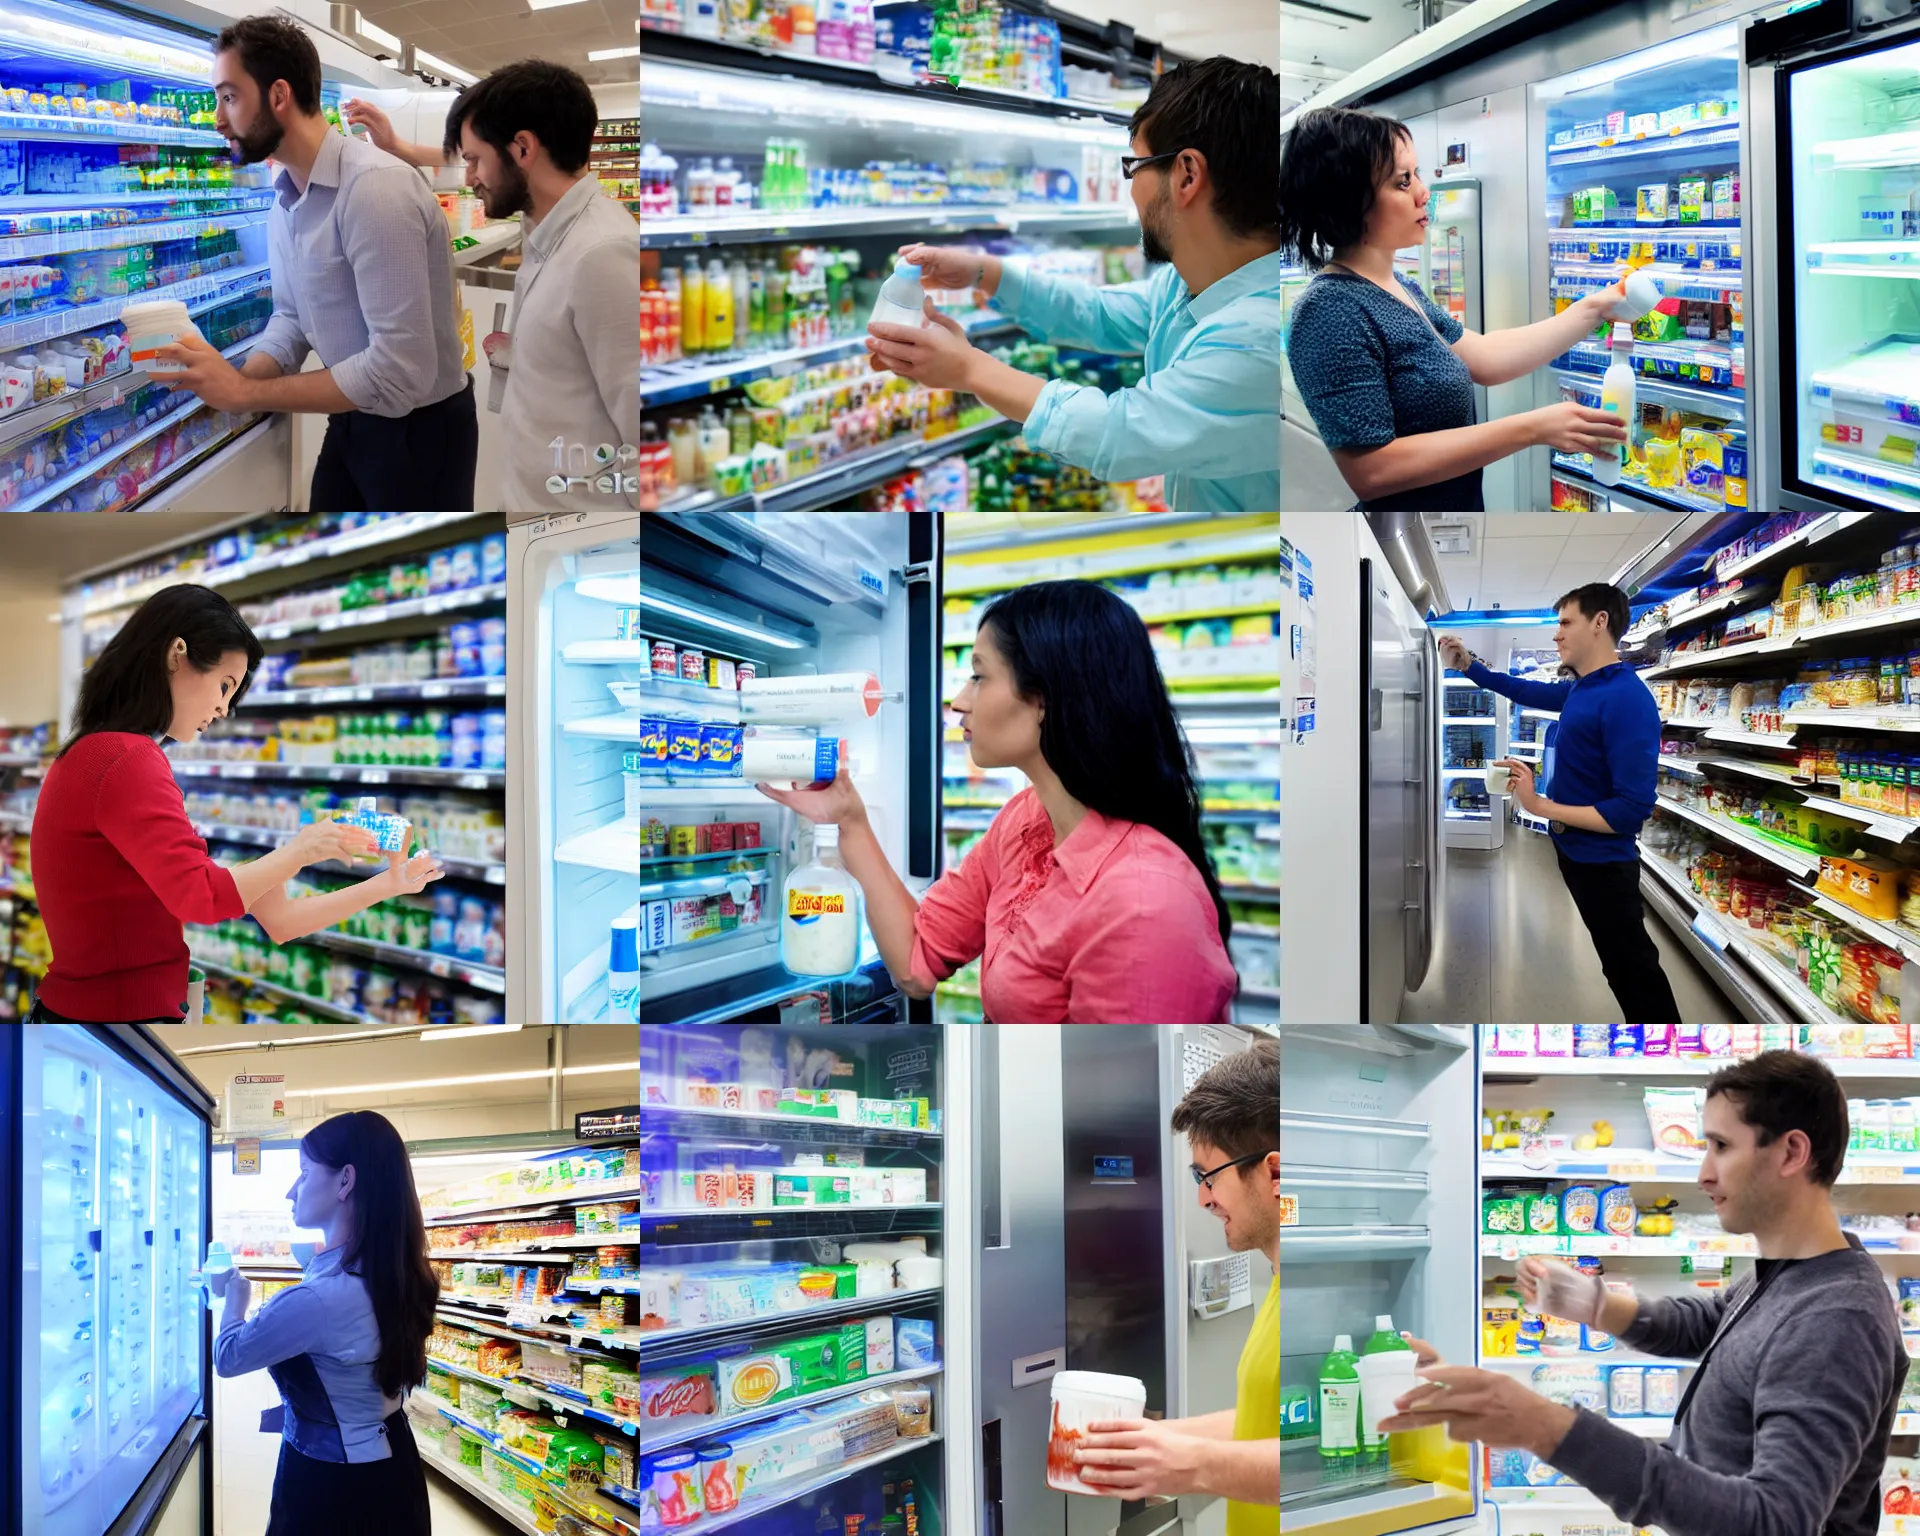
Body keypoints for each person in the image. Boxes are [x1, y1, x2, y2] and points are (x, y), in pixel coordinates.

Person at [1382, 1051, 1905, 1536]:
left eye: (1721, 1146)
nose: (1702, 1173)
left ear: (1792, 1151)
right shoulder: (1791, 1272)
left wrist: (1546, 1426)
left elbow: (1776, 1522)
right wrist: (1592, 1304)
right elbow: (1711, 1325)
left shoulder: (1838, 1318)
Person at [754, 580, 1237, 1022]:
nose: (960, 701)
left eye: (979, 677)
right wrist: (849, 821)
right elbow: (916, 962)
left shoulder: (1145, 904)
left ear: (1044, 698)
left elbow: (1126, 1103)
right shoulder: (1027, 821)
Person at [863, 56, 1280, 512]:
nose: (1131, 189)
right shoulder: (1194, 283)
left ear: (1186, 175)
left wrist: (969, 371)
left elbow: (1118, 433)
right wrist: (983, 273)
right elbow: (1099, 314)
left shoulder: (1258, 337)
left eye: (1134, 166)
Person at [27, 585, 444, 1023]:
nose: (224, 709)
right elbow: (201, 896)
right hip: (114, 1025)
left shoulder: (97, 753)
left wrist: (390, 885)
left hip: (93, 1016)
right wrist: (301, 850)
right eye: (224, 685)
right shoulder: (126, 758)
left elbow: (281, 920)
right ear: (177, 654)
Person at [161, 16, 477, 512]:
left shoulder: (375, 189)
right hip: (351, 416)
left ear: (279, 95)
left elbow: (399, 371)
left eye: (229, 97)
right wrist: (236, 375)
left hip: (420, 434)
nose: (218, 119)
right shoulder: (286, 198)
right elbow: (292, 317)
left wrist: (245, 392)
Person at [1280, 106, 1632, 511]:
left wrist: (1594, 309)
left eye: (1417, 174)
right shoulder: (1329, 311)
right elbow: (1372, 471)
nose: (1423, 192)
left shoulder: (1401, 287)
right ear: (1348, 201)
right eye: (1402, 181)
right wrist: (1533, 427)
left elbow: (1485, 356)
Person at [346, 62, 639, 508]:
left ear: (523, 148)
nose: (468, 178)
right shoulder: (548, 226)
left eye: (474, 161)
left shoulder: (602, 254)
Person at [1437, 581, 1680, 1023]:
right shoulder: (1582, 688)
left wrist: (1538, 804)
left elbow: (1630, 811)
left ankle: (1665, 1049)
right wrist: (1467, 664)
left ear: (1599, 622)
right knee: (1619, 968)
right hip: (1575, 856)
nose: (1557, 634)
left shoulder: (1627, 699)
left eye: (1566, 622)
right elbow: (1523, 690)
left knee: (1634, 974)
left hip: (1604, 866)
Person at [1070, 1038, 1280, 1533]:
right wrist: (1152, 1441)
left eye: (1208, 1176)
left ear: (1274, 1172)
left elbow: (1338, 1451)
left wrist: (1193, 1465)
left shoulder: (1333, 1285)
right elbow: (1271, 1419)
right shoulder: (1281, 1278)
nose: (1204, 1198)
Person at [211, 1110, 441, 1535]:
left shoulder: (318, 1300)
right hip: (393, 1467)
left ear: (345, 1181)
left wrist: (233, 1300)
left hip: (333, 1487)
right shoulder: (394, 1273)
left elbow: (228, 1357)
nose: (290, 1191)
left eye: (303, 1172)